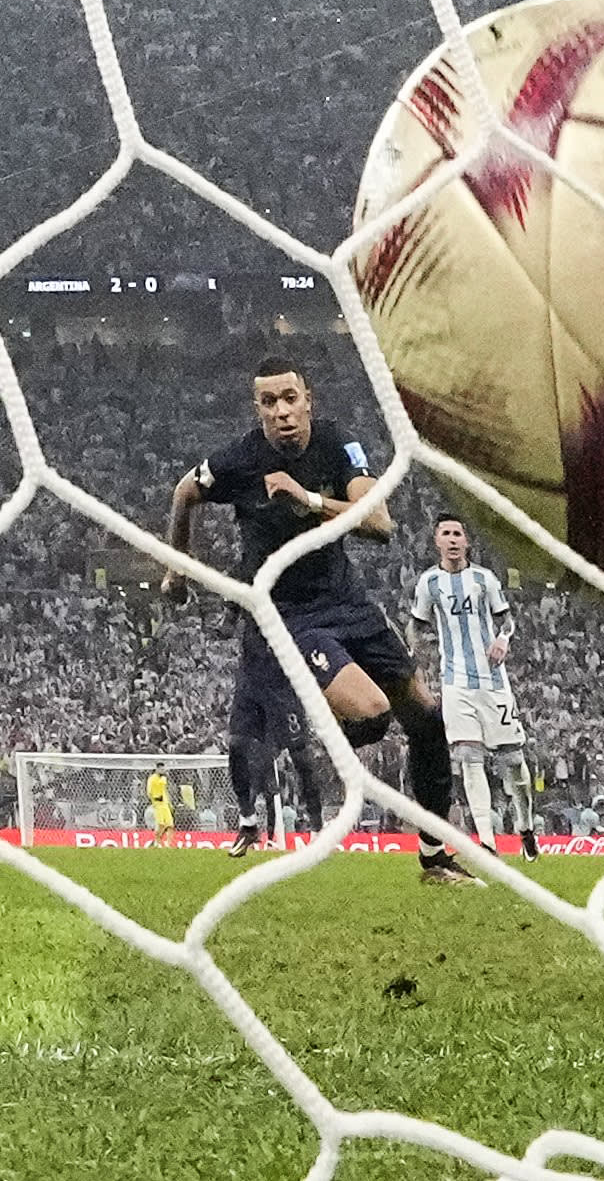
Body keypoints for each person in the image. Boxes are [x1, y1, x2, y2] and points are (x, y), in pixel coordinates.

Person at [161, 355, 476, 884]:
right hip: (287, 616)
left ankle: (434, 858)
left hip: (347, 602)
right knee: (373, 715)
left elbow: (379, 523)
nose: (281, 411)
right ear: (257, 409)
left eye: (290, 398)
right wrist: (177, 566)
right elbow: (184, 492)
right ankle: (318, 720)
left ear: (308, 400)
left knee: (426, 716)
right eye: (269, 402)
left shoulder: (336, 443)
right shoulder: (240, 459)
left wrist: (307, 499)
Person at [408, 516, 542, 861]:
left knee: (513, 762)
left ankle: (525, 827)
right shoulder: (429, 583)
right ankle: (487, 843)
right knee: (469, 757)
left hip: (493, 682)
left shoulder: (484, 579)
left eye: (458, 534)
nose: (453, 539)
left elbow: (507, 620)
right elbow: (416, 625)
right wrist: (415, 657)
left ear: (466, 542)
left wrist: (503, 640)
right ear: (436, 541)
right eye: (446, 534)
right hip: (456, 684)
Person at [146, 762, 173, 842]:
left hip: (165, 804)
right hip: (158, 804)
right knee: (161, 825)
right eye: (161, 769)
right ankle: (157, 841)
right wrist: (155, 799)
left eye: (163, 769)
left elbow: (164, 790)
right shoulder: (152, 779)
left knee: (170, 825)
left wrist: (169, 802)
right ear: (157, 769)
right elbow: (149, 792)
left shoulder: (164, 778)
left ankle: (169, 844)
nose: (163, 771)